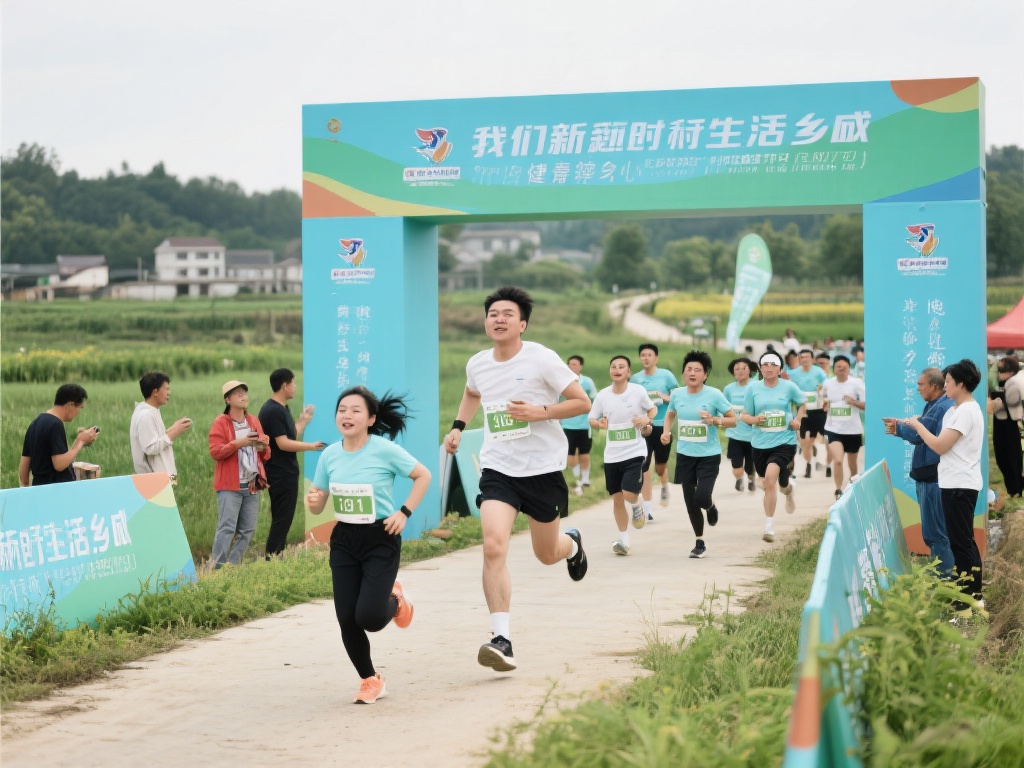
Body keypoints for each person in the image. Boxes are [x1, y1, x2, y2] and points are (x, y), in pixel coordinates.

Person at [444, 286, 591, 673]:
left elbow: (581, 402)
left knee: (546, 554)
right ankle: (501, 638)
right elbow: (472, 392)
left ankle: (571, 545)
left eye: (508, 313)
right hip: (499, 469)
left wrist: (541, 412)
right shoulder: (478, 363)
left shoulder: (542, 358)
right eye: (493, 313)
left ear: (522, 323)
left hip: (543, 470)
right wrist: (459, 426)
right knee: (493, 547)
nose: (499, 318)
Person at [306, 386, 430, 704]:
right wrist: (316, 500)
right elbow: (318, 506)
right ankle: (370, 680)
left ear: (371, 419)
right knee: (347, 618)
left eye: (355, 410)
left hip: (380, 538)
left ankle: (397, 601)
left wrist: (404, 512)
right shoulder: (330, 455)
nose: (346, 415)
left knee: (371, 618)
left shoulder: (384, 450)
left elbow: (423, 475)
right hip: (345, 539)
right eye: (342, 409)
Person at [904, 359, 986, 611]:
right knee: (961, 540)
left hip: (960, 484)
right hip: (954, 483)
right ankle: (969, 594)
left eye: (948, 382)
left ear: (960, 384)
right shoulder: (956, 409)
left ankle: (969, 598)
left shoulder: (967, 411)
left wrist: (917, 424)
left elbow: (939, 445)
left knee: (961, 542)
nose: (945, 386)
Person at [661, 350, 735, 558]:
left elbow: (732, 419)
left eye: (697, 370)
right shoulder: (677, 394)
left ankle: (710, 506)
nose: (692, 373)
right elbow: (670, 414)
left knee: (702, 497)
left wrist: (714, 420)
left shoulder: (714, 395)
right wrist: (666, 432)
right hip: (685, 455)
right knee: (690, 501)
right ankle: (699, 542)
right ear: (684, 373)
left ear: (705, 375)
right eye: (688, 370)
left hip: (708, 455)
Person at [883, 367, 955, 575]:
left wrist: (897, 428)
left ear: (934, 385)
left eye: (920, 384)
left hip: (934, 478)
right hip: (928, 476)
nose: (917, 389)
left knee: (937, 533)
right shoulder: (934, 406)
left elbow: (919, 436)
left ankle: (945, 577)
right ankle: (942, 574)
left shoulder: (941, 407)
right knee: (933, 533)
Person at [587, 355, 657, 555]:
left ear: (628, 372)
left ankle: (637, 504)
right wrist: (600, 424)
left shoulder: (637, 391)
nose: (617, 369)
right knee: (617, 499)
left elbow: (652, 409)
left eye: (621, 367)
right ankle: (624, 540)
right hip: (612, 455)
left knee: (628, 494)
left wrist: (645, 418)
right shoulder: (603, 395)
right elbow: (592, 418)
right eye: (613, 366)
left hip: (634, 452)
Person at [259, 368, 327, 558]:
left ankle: (274, 557)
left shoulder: (282, 408)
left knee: (284, 517)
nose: (295, 387)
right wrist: (311, 446)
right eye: (293, 383)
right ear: (284, 385)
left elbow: (290, 435)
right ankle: (271, 560)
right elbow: (283, 444)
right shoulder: (272, 410)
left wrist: (303, 420)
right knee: (282, 519)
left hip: (286, 472)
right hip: (279, 473)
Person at [741, 351, 806, 542]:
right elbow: (744, 415)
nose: (768, 368)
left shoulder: (789, 387)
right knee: (775, 483)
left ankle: (768, 526)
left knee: (769, 481)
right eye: (765, 364)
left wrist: (797, 419)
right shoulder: (753, 389)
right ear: (760, 368)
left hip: (784, 442)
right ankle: (789, 491)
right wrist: (754, 419)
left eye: (773, 364)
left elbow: (802, 404)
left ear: (780, 368)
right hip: (760, 443)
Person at [208, 380, 271, 568]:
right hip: (230, 486)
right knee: (226, 528)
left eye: (244, 392)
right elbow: (216, 452)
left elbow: (265, 455)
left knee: (248, 530)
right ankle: (217, 570)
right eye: (238, 393)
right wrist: (239, 443)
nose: (243, 396)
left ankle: (231, 567)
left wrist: (263, 445)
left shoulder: (253, 421)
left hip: (251, 484)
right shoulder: (221, 423)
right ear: (227, 399)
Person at [630, 343, 679, 519]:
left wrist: (662, 397)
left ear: (656, 358)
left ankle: (665, 485)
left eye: (649, 355)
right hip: (645, 426)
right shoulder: (635, 379)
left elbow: (677, 398)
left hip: (663, 425)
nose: (646, 358)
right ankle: (648, 509)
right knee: (644, 467)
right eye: (642, 355)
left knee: (659, 466)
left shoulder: (667, 376)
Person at [19, 383, 99, 486]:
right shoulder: (55, 424)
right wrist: (80, 441)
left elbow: (23, 471)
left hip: (39, 489)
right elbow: (59, 464)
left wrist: (29, 490)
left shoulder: (34, 423)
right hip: (57, 491)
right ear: (70, 405)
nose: (78, 412)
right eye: (80, 407)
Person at [129, 371, 192, 480]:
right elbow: (150, 448)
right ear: (155, 392)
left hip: (161, 477)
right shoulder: (146, 415)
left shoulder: (151, 410)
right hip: (153, 480)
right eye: (166, 389)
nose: (169, 393)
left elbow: (156, 438)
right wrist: (174, 433)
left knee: (171, 497)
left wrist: (175, 427)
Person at [821, 355, 866, 501]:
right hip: (834, 429)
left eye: (845, 367)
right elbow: (823, 398)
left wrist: (853, 402)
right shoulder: (828, 383)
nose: (842, 370)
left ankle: (854, 489)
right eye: (839, 367)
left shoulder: (857, 383)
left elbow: (866, 405)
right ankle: (838, 489)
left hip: (853, 430)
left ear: (849, 369)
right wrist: (825, 404)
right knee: (838, 460)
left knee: (852, 465)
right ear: (834, 369)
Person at [561, 355, 599, 497]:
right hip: (567, 424)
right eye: (570, 364)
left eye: (575, 364)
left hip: (584, 425)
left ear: (581, 366)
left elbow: (595, 399)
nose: (572, 366)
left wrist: (596, 416)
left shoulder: (587, 382)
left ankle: (585, 480)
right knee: (569, 454)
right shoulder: (562, 382)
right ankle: (577, 478)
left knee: (584, 454)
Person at [988, 356, 1024, 498]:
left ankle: (1015, 489)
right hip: (1003, 424)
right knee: (1005, 457)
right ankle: (1015, 488)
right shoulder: (1008, 383)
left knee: (1009, 458)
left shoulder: (1013, 384)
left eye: (1001, 369)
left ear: (1010, 371)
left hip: (1009, 425)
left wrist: (997, 402)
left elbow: (1013, 410)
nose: (998, 373)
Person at [789, 349, 827, 479]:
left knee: (817, 439)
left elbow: (824, 390)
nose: (804, 359)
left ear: (812, 359)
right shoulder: (793, 374)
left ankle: (820, 461)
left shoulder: (819, 373)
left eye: (807, 357)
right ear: (799, 359)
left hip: (817, 411)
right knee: (803, 441)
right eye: (802, 357)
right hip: (801, 412)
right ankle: (809, 464)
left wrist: (821, 395)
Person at [723, 357, 757, 493]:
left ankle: (750, 479)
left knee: (750, 464)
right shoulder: (729, 389)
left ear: (750, 370)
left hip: (752, 435)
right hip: (735, 433)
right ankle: (739, 479)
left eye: (744, 368)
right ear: (733, 373)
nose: (741, 371)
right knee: (736, 465)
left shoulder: (755, 387)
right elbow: (722, 406)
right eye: (737, 369)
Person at [815, 351, 835, 478]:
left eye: (824, 364)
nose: (821, 366)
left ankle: (828, 464)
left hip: (831, 414)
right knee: (817, 439)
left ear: (829, 364)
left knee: (828, 440)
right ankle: (820, 460)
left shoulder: (833, 378)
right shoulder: (813, 378)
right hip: (816, 412)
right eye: (819, 364)